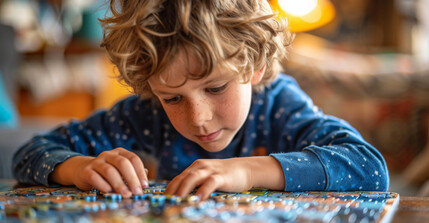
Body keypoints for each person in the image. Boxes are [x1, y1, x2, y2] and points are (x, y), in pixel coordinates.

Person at [13, 0, 389, 200]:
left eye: (215, 88)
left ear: (254, 67)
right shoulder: (145, 114)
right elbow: (30, 153)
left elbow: (369, 167)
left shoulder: (279, 105)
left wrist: (243, 172)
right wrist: (78, 168)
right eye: (172, 97)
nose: (199, 118)